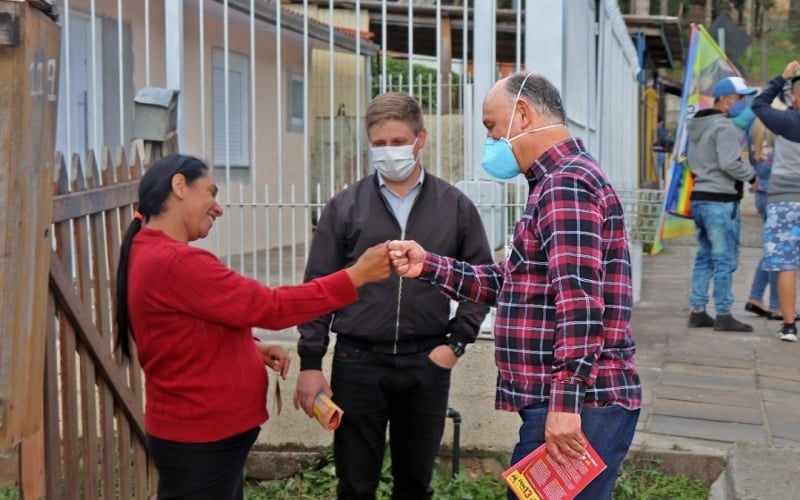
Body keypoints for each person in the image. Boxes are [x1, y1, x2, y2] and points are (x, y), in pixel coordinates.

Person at [388, 73, 641, 499]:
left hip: (578, 407)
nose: (489, 139)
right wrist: (428, 265)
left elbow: (579, 301)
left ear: (522, 114)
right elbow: (514, 283)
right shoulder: (553, 183)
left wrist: (564, 404)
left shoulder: (566, 185)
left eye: (491, 125)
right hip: (575, 404)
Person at [114, 154, 391, 499]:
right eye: (211, 192)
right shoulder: (176, 261)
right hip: (202, 439)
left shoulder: (153, 252)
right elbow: (271, 307)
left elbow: (177, 332)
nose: (218, 208)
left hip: (202, 437)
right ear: (179, 186)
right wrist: (355, 276)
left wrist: (248, 348)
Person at [293, 92, 492, 500]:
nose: (389, 152)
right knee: (354, 483)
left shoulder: (455, 207)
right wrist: (311, 362)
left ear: (421, 139)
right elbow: (317, 289)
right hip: (357, 362)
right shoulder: (344, 208)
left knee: (415, 483)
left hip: (427, 362)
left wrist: (456, 343)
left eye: (398, 142)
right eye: (379, 144)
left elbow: (482, 280)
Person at [686, 76, 758, 332]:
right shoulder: (724, 127)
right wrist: (752, 176)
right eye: (740, 98)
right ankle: (724, 313)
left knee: (704, 257)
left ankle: (698, 310)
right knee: (724, 258)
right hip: (720, 200)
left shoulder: (697, 125)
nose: (743, 103)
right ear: (725, 98)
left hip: (701, 197)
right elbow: (729, 163)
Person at [752, 60, 800, 342]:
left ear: (793, 97)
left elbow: (759, 104)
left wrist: (780, 78)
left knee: (786, 264)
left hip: (783, 202)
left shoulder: (785, 121)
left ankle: (789, 325)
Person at [744, 118, 781, 320]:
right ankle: (776, 304)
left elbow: (752, 163)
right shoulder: (781, 135)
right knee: (780, 252)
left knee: (772, 249)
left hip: (762, 194)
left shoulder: (755, 132)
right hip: (778, 195)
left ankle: (756, 296)